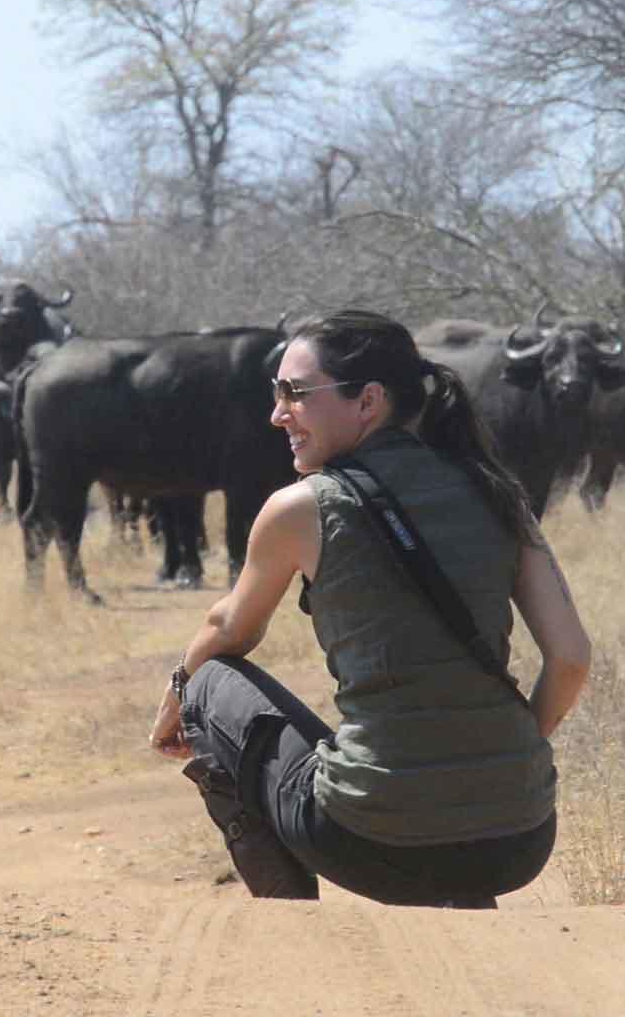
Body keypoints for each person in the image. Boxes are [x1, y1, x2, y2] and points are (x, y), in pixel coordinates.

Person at [147, 310, 591, 907]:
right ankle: (460, 898)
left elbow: (226, 629)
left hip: (371, 844)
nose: (278, 413)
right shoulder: (497, 491)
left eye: (296, 394)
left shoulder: (301, 507)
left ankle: (288, 923)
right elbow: (570, 659)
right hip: (519, 840)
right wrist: (506, 753)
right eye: (276, 394)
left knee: (210, 680)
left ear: (368, 401)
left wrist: (178, 693)